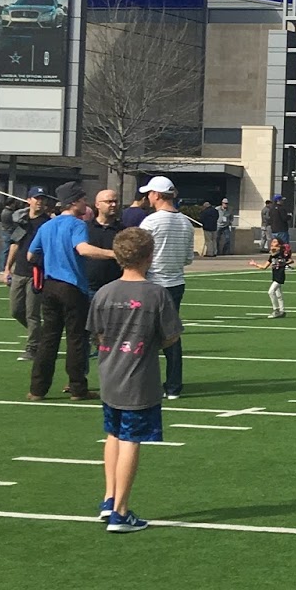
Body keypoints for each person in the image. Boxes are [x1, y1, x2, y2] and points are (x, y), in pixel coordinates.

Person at [88, 226, 182, 534]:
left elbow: (97, 333)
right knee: (131, 438)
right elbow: (171, 336)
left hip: (109, 375)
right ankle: (120, 511)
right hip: (139, 379)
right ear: (149, 257)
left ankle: (109, 498)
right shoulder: (156, 294)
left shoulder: (104, 293)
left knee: (113, 434)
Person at [25, 182, 116, 402]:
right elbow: (83, 249)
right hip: (72, 286)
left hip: (50, 286)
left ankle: (37, 389)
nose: (86, 204)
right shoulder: (77, 225)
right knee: (76, 339)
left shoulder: (47, 225)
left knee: (49, 339)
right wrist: (114, 253)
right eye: (83, 200)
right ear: (74, 202)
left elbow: (31, 255)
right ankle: (78, 388)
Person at [141, 174, 196, 402]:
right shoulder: (185, 222)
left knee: (145, 335)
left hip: (153, 282)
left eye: (149, 194)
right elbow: (188, 258)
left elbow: (140, 253)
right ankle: (174, 385)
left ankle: (145, 383)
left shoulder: (151, 222)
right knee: (172, 336)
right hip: (176, 282)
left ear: (156, 195)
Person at [3, 185, 52, 360]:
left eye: (42, 199)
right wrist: (7, 268)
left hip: (37, 272)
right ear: (29, 200)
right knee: (16, 310)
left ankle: (32, 347)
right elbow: (15, 244)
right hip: (20, 271)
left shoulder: (47, 223)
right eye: (37, 198)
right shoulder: (22, 221)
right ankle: (39, 335)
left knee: (32, 313)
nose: (40, 202)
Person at [83, 188, 124, 299]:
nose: (113, 205)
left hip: (115, 287)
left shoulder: (123, 230)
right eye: (109, 202)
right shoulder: (85, 228)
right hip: (89, 287)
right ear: (97, 205)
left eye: (115, 201)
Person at [250, 235, 295, 318]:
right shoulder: (272, 256)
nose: (272, 243)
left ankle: (276, 310)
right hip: (274, 276)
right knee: (279, 294)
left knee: (270, 292)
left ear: (279, 244)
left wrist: (284, 263)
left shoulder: (282, 253)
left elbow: (291, 260)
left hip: (280, 276)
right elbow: (264, 267)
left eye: (274, 242)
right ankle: (282, 311)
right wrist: (255, 264)